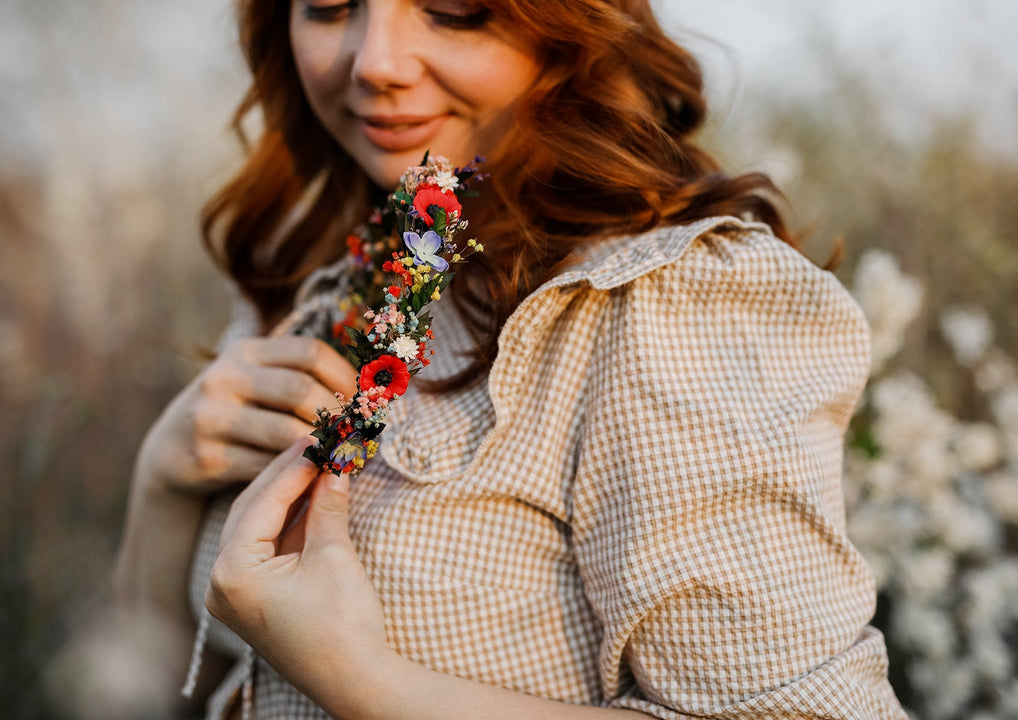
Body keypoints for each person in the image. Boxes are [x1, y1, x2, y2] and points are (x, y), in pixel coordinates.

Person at [111, 0, 907, 718]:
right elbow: (164, 681)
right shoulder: (318, 275)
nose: (374, 62)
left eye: (452, 10)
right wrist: (163, 480)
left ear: (568, 27)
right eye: (328, 4)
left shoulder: (650, 303)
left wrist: (365, 683)